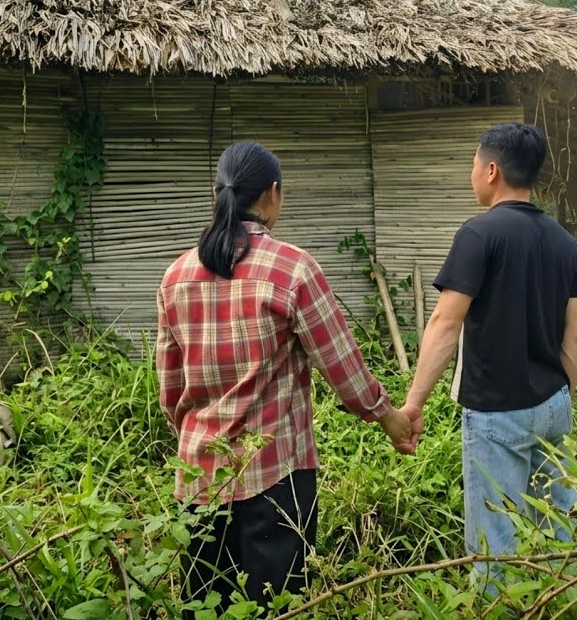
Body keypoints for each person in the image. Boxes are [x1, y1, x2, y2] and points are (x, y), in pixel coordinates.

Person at [156, 141, 413, 616]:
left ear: (218, 193)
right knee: (276, 607)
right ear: (272, 194)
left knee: (205, 604)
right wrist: (387, 416)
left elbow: (170, 391)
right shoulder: (292, 269)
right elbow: (344, 369)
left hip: (197, 481)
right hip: (275, 479)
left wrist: (196, 437)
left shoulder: (175, 276)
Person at [398, 122, 577, 596]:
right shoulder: (566, 242)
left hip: (497, 412)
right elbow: (573, 336)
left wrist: (413, 404)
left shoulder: (479, 234)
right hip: (553, 403)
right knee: (558, 531)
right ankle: (566, 599)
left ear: (492, 170)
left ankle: (493, 607)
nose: (472, 173)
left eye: (474, 164)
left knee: (493, 543)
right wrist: (562, 401)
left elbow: (444, 323)